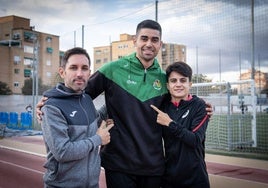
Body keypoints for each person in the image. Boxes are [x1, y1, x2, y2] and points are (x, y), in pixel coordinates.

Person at [37, 20, 213, 188]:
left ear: (160, 44)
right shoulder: (113, 69)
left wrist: (201, 105)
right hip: (118, 164)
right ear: (134, 41)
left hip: (153, 165)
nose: (149, 44)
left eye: (154, 40)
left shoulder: (163, 79)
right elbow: (78, 92)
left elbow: (179, 99)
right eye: (144, 38)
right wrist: (50, 99)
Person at [41, 47, 114, 188]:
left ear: (89, 73)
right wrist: (98, 139)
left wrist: (116, 101)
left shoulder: (86, 99)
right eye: (74, 68)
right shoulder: (51, 106)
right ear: (62, 72)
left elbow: (93, 123)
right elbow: (63, 152)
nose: (80, 73)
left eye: (84, 68)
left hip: (92, 185)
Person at [151, 62, 210, 188]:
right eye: (173, 81)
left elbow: (195, 140)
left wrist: (170, 123)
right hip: (169, 178)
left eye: (183, 80)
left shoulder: (200, 106)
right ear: (167, 85)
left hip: (195, 178)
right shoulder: (163, 106)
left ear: (190, 84)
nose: (178, 84)